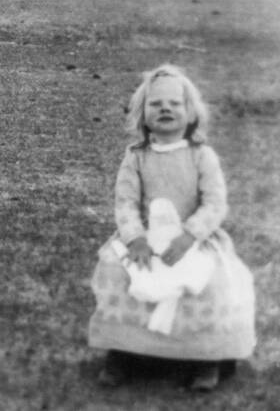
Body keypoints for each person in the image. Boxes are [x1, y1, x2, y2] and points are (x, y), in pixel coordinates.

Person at [88, 64, 256, 391]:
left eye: (175, 103)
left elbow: (215, 203)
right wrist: (135, 238)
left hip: (193, 238)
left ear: (191, 113)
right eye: (156, 103)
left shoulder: (200, 156)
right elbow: (125, 201)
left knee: (211, 281)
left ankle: (206, 356)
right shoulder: (136, 157)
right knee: (118, 272)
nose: (165, 108)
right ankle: (124, 350)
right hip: (147, 238)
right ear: (142, 114)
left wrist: (190, 234)